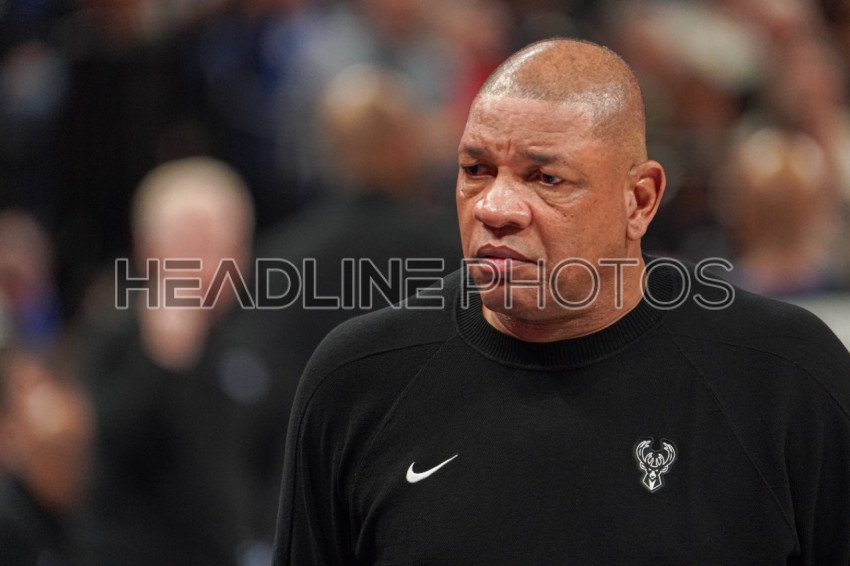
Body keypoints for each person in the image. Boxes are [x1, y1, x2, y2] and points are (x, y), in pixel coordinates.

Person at [273, 38, 850, 564]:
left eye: (545, 179)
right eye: (475, 170)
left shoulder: (786, 377)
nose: (494, 208)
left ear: (640, 200)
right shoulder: (358, 380)